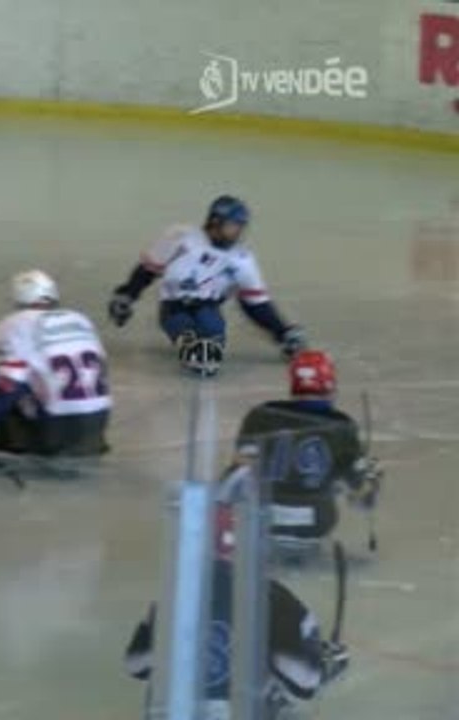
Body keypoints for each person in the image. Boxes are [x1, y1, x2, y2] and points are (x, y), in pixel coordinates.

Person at [123, 509, 349, 718]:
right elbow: (302, 680)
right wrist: (325, 666)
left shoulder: (174, 596)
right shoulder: (272, 597)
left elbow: (135, 665)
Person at [106, 195, 307, 377]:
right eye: (232, 226)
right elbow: (147, 270)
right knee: (187, 332)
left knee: (212, 331)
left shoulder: (242, 260)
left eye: (240, 227)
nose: (236, 233)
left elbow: (255, 304)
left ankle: (196, 345)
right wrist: (126, 295)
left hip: (208, 308)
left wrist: (283, 332)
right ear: (215, 222)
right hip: (174, 306)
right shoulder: (180, 237)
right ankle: (186, 342)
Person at [219, 349, 382, 555]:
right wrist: (370, 478)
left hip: (265, 519)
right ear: (329, 384)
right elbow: (362, 499)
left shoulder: (261, 416)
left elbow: (239, 472)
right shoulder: (342, 427)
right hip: (317, 523)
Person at [0, 269, 110, 457]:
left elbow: (10, 380)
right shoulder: (81, 320)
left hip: (54, 432)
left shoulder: (16, 324)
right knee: (38, 375)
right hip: (97, 427)